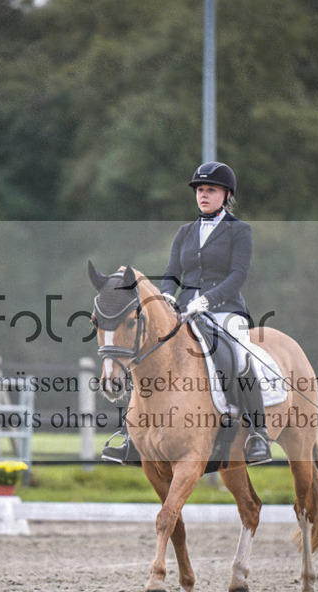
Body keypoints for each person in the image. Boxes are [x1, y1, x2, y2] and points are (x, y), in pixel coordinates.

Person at [102, 161, 272, 467]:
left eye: (211, 190)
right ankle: (133, 436)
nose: (203, 195)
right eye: (200, 190)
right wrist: (167, 295)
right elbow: (172, 273)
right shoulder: (185, 232)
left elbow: (238, 275)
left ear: (226, 194)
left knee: (242, 355)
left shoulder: (239, 231)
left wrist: (207, 300)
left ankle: (256, 433)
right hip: (184, 310)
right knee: (145, 352)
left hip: (226, 310)